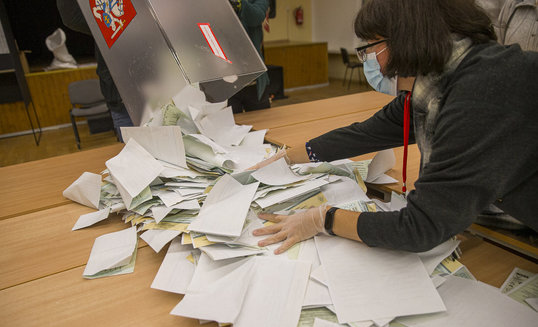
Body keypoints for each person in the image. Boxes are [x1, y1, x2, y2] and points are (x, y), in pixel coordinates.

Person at [252, 0, 538, 253]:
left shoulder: (478, 91)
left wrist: (322, 219)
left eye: (372, 47)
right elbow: (365, 133)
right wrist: (287, 157)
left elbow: (421, 226)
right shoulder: (442, 81)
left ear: (404, 39)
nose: (372, 59)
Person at [56, 0, 133, 141]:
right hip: (120, 98)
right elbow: (72, 17)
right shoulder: (109, 18)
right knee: (134, 155)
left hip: (160, 95)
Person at [227, 0, 271, 113]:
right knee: (228, 127)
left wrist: (240, 4)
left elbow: (256, 17)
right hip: (227, 82)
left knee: (264, 123)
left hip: (254, 82)